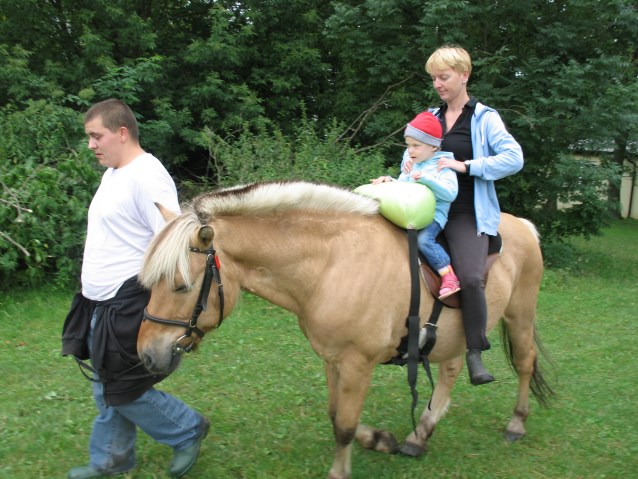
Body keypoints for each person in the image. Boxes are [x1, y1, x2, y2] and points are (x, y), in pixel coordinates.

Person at [62, 99, 209, 478]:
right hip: (99, 302)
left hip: (127, 303)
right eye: (89, 138)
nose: (91, 144)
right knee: (108, 384)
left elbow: (174, 237)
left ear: (122, 132)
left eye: (97, 136)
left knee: (121, 387)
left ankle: (185, 428)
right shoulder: (114, 173)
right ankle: (111, 459)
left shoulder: (147, 174)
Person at [403, 45, 524, 385]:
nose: (438, 84)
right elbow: (411, 155)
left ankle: (474, 351)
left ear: (464, 75)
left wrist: (466, 165)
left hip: (466, 213)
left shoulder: (484, 118)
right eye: (433, 79)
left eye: (444, 77)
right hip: (425, 205)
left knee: (470, 277)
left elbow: (514, 158)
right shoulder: (431, 116)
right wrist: (403, 170)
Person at [371, 111, 460, 300]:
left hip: (433, 216)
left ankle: (448, 276)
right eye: (408, 145)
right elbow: (403, 187)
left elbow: (450, 194)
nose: (410, 151)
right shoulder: (413, 164)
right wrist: (388, 181)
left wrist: (428, 180)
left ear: (434, 146)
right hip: (411, 213)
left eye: (416, 146)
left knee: (424, 240)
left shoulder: (443, 166)